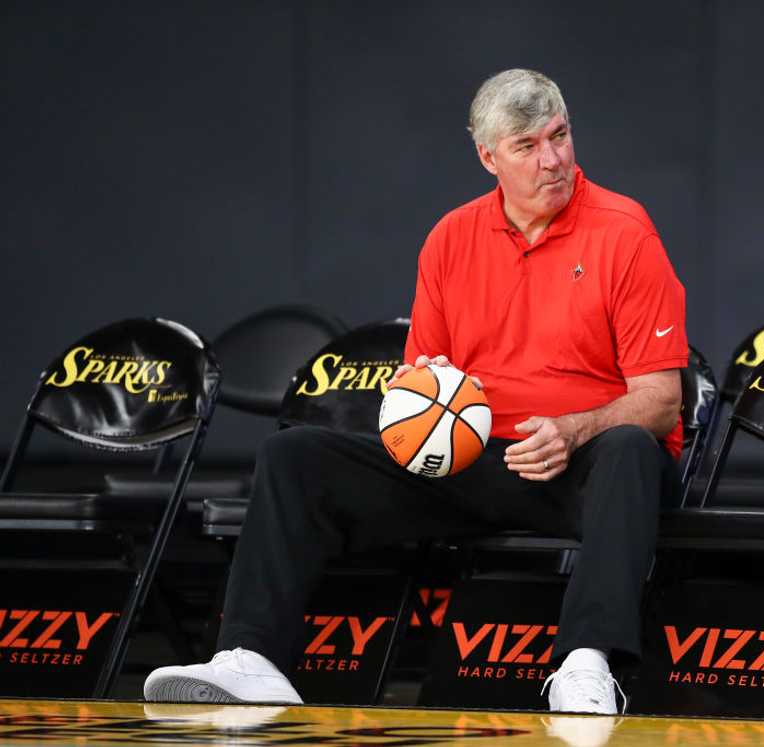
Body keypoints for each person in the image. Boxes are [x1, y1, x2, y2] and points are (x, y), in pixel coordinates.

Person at [144, 68, 688, 714]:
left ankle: (586, 665)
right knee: (294, 458)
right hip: (474, 456)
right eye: (528, 146)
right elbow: (425, 378)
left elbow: (661, 399)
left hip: (582, 463)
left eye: (560, 136)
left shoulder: (624, 231)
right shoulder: (451, 239)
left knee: (630, 446)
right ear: (488, 156)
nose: (553, 160)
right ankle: (252, 656)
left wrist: (572, 429)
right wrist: (411, 402)